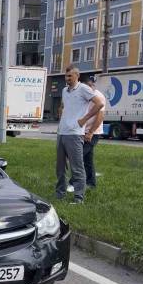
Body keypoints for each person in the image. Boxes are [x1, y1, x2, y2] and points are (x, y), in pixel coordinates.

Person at [56, 65, 104, 204]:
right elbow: (64, 107)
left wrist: (84, 119)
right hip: (62, 132)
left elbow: (99, 104)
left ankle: (78, 197)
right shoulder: (65, 90)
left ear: (77, 76)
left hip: (75, 134)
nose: (67, 79)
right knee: (60, 167)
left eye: (70, 76)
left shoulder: (83, 88)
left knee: (77, 167)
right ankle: (60, 193)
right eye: (66, 76)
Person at [82, 76, 105, 189]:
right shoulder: (84, 95)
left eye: (91, 86)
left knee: (78, 157)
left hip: (93, 133)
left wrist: (90, 132)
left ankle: (73, 183)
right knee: (88, 159)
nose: (90, 88)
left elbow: (100, 117)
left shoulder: (99, 96)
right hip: (82, 131)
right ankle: (91, 184)